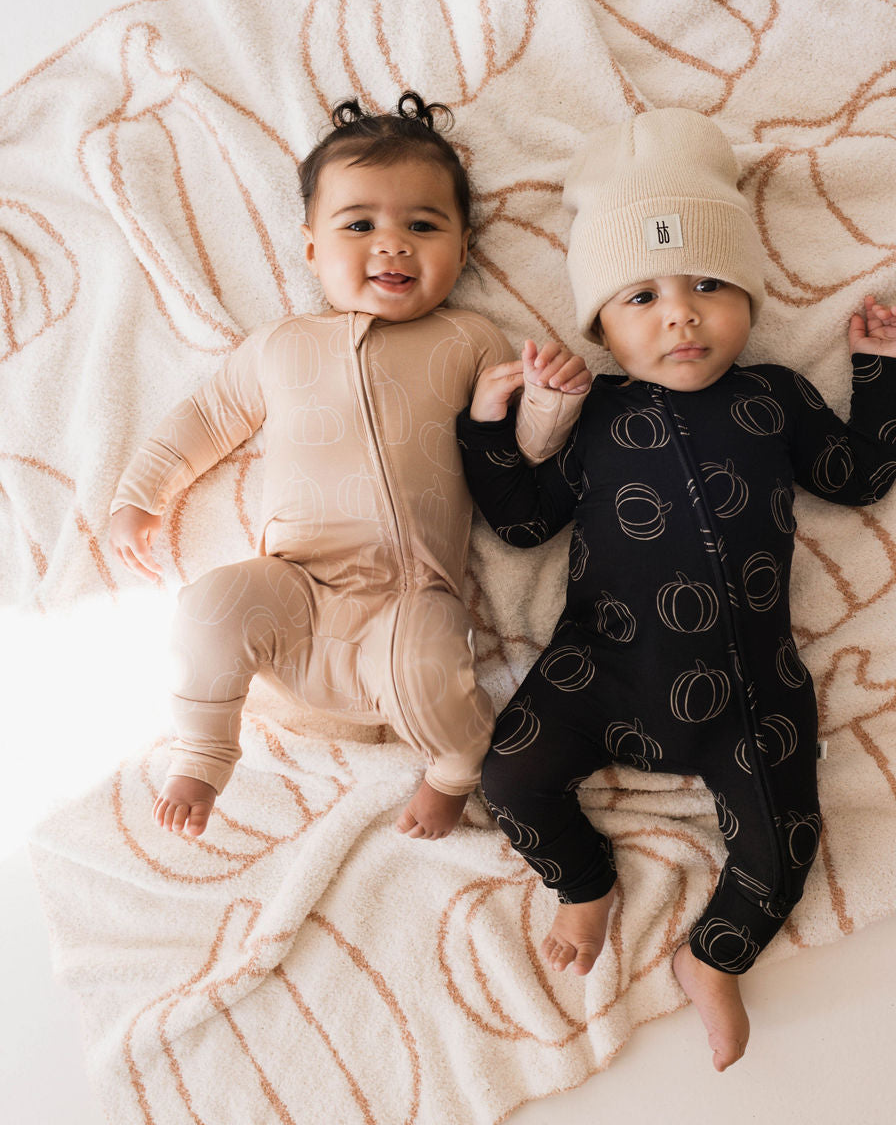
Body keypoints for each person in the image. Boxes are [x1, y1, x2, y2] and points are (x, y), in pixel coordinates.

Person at [457, 107, 896, 1070]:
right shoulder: (590, 413)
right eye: (644, 296)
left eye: (711, 284)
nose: (682, 313)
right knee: (508, 775)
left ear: (749, 297)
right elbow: (521, 520)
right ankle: (583, 883)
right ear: (600, 322)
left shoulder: (776, 398)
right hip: (604, 666)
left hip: (750, 689)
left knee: (788, 839)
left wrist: (882, 375)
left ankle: (715, 957)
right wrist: (490, 430)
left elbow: (857, 477)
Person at [109, 93, 590, 842]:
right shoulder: (280, 345)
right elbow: (204, 420)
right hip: (294, 591)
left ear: (463, 251)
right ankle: (204, 749)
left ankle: (452, 771)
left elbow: (518, 454)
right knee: (210, 603)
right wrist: (140, 497)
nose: (393, 244)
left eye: (423, 226)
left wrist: (546, 400)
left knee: (436, 667)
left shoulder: (469, 338)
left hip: (408, 602)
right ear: (311, 248)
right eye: (360, 224)